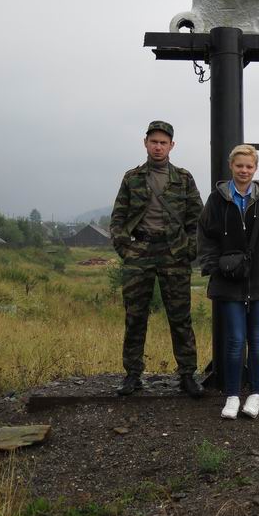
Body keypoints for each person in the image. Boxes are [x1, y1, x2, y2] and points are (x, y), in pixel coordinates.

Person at [110, 121, 205, 398]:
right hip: (140, 252)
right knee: (135, 316)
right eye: (154, 142)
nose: (158, 147)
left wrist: (189, 250)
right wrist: (126, 250)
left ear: (172, 146)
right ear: (145, 143)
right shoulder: (132, 178)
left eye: (164, 142)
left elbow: (196, 219)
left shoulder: (183, 178)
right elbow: (118, 219)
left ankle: (187, 375)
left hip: (174, 254)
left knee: (180, 317)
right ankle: (132, 375)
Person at [197, 144, 259, 420]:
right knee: (235, 340)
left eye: (249, 166)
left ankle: (256, 394)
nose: (244, 171)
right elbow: (205, 236)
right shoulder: (217, 199)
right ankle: (232, 395)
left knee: (256, 339)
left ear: (255, 168)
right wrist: (214, 267)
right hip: (228, 281)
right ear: (231, 167)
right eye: (240, 166)